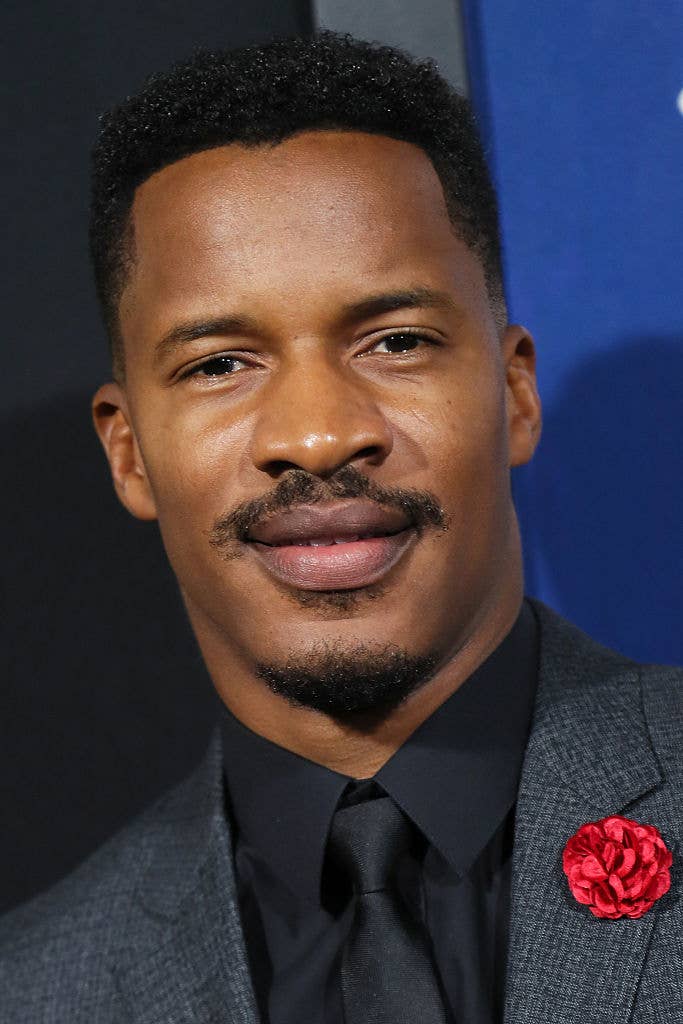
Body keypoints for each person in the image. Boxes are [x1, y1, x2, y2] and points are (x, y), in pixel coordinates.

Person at [0, 30, 680, 1024]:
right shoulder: (38, 991)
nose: (316, 435)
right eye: (219, 363)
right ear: (128, 451)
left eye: (395, 341)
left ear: (513, 391)